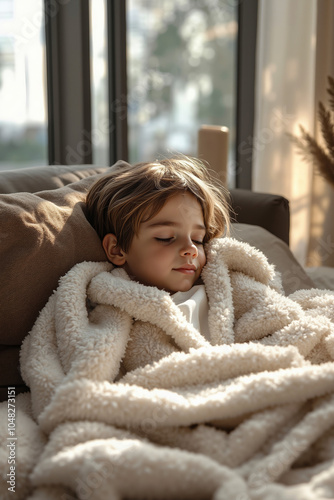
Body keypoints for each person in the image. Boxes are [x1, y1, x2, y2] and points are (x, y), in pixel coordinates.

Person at [85, 156, 231, 342]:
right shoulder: (108, 306)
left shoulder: (220, 290)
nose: (191, 249)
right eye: (166, 238)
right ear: (117, 249)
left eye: (198, 239)